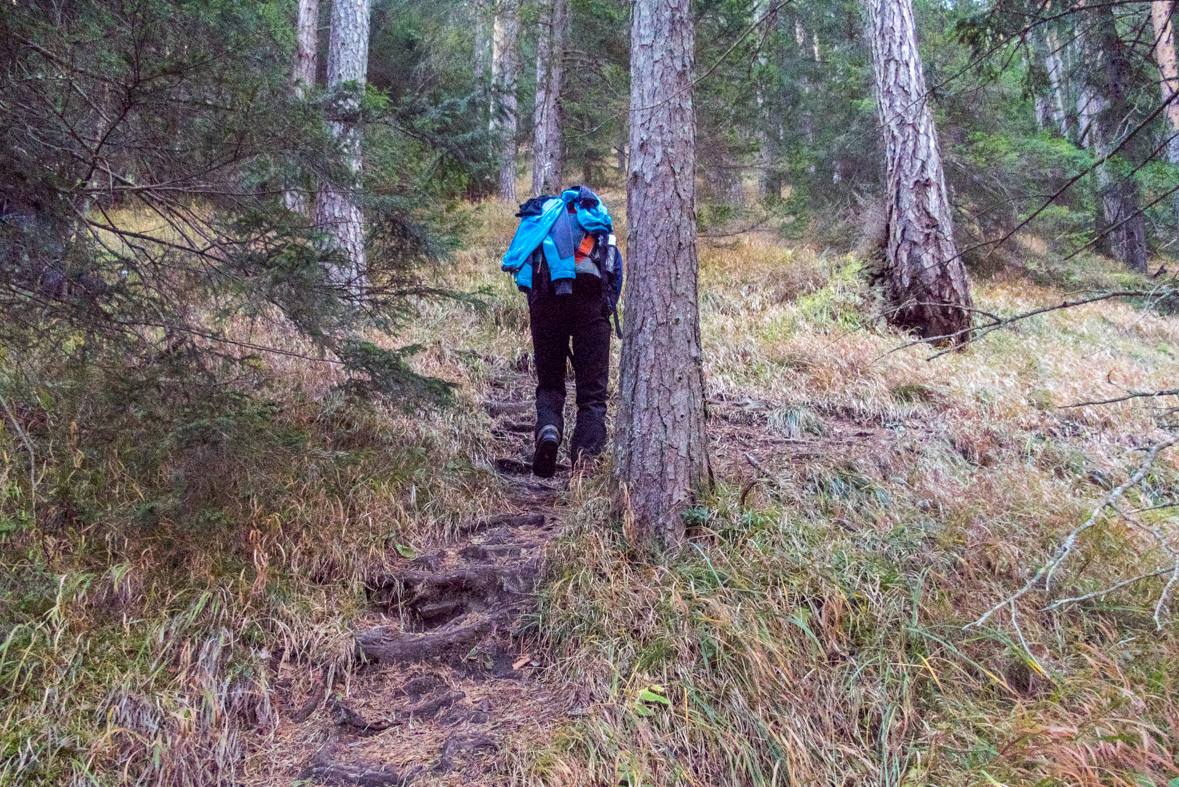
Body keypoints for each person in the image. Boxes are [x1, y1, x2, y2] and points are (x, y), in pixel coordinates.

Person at [501, 186, 623, 478]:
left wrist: (537, 306)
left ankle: (549, 430)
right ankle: (586, 463)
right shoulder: (596, 222)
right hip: (591, 305)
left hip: (545, 304)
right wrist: (603, 311)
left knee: (550, 383)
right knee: (592, 394)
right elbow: (615, 272)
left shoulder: (541, 223)